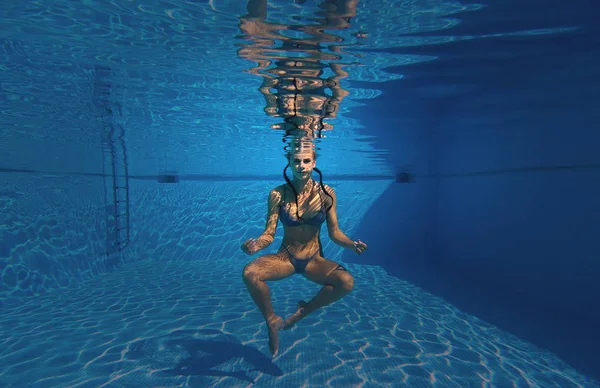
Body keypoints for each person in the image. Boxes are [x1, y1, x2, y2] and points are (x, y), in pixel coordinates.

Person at [240, 142, 367, 357]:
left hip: (314, 260)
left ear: (314, 162)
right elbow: (269, 233)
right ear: (289, 163)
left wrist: (352, 245)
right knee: (250, 273)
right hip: (286, 258)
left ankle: (302, 312)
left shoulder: (327, 194)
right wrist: (255, 246)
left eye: (306, 161)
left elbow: (335, 232)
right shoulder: (277, 194)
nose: (301, 165)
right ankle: (271, 321)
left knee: (346, 282)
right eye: (296, 161)